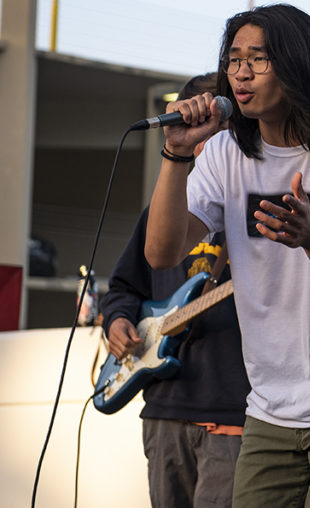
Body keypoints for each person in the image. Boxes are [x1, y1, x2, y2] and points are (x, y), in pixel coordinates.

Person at [143, 4, 310, 508]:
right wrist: (177, 153)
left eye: (258, 59)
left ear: (298, 65)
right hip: (270, 408)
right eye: (233, 59)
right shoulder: (226, 153)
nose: (241, 72)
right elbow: (161, 253)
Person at [101, 72, 250, 508]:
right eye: (195, 132)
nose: (205, 144)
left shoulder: (254, 205)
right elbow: (124, 285)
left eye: (215, 131)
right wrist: (118, 320)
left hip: (232, 412)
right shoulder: (160, 210)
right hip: (164, 408)